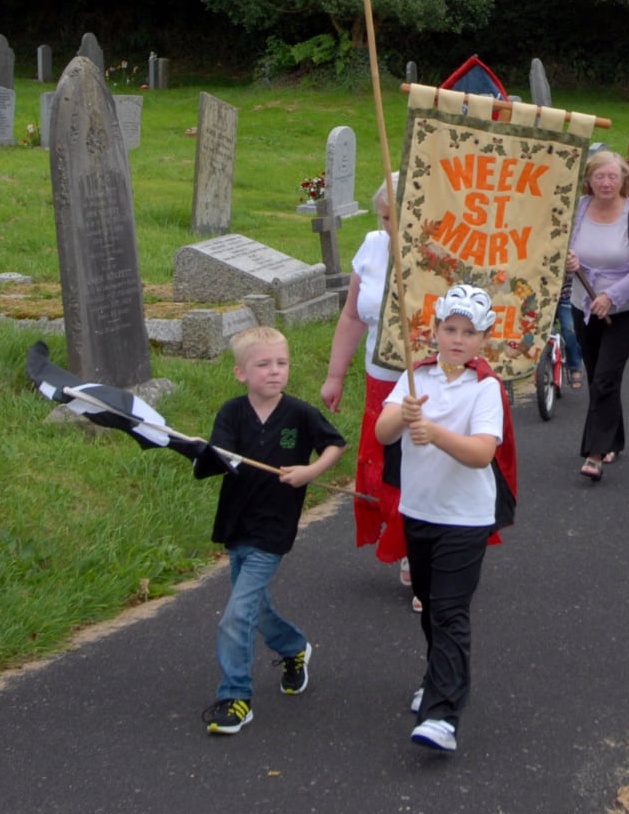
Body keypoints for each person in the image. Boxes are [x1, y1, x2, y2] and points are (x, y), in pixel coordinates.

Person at [375, 284, 516, 755]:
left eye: (468, 332)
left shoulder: (486, 387)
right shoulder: (416, 377)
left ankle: (442, 715)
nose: (457, 339)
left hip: (466, 518)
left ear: (483, 340)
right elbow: (383, 430)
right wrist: (404, 416)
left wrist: (432, 431)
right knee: (429, 605)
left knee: (451, 611)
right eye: (449, 329)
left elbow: (481, 454)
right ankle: (437, 679)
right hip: (420, 510)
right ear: (433, 331)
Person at [198, 326, 347, 737]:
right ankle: (293, 647)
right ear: (241, 373)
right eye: (263, 365)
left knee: (236, 614)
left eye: (281, 363)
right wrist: (205, 455)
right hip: (237, 523)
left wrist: (310, 471)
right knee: (255, 608)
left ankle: (236, 697)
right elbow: (219, 455)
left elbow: (335, 444)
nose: (274, 372)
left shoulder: (298, 414)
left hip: (275, 527)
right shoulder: (231, 413)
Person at [321, 176, 415, 608]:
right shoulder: (373, 245)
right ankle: (405, 543)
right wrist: (335, 375)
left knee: (426, 463)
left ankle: (428, 552)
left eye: (399, 217)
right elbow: (353, 316)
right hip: (381, 377)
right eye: (384, 217)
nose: (390, 227)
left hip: (433, 381)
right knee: (387, 467)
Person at [567, 150, 629, 481]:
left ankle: (594, 452)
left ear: (624, 179)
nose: (606, 183)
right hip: (584, 306)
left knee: (606, 377)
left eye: (612, 177)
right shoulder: (577, 210)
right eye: (599, 177)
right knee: (598, 377)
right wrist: (568, 263)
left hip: (626, 309)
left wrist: (612, 296)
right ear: (588, 181)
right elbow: (562, 249)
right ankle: (614, 439)